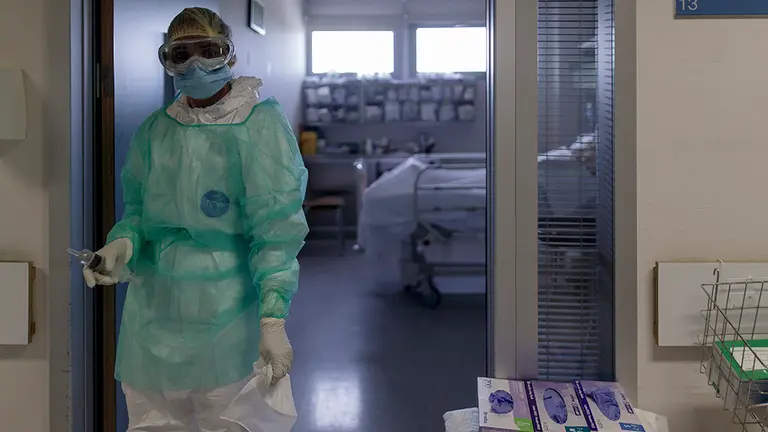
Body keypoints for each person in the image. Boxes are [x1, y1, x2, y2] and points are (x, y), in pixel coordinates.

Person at [82, 7, 308, 431]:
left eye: (209, 51)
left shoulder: (260, 127)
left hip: (228, 317)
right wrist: (123, 244)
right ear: (166, 60)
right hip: (152, 319)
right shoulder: (155, 131)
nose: (195, 64)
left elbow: (276, 233)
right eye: (181, 55)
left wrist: (273, 319)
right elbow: (138, 213)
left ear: (230, 56)